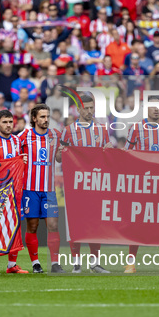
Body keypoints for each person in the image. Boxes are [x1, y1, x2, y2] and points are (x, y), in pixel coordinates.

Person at [124, 97, 159, 273]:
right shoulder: (136, 128)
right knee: (138, 222)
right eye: (153, 106)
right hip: (142, 183)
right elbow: (126, 153)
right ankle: (131, 263)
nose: (156, 109)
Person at [56, 94, 112, 274]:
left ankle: (95, 263)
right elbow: (59, 158)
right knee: (75, 224)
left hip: (97, 183)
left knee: (96, 223)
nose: (89, 111)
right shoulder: (68, 131)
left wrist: (110, 150)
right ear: (78, 109)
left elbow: (108, 156)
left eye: (91, 108)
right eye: (86, 108)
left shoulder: (102, 130)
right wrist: (60, 152)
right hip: (75, 185)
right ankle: (76, 263)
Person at [19, 104, 64, 273]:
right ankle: (35, 263)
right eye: (42, 117)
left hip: (49, 189)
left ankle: (54, 263)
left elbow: (59, 158)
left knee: (52, 225)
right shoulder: (25, 135)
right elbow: (10, 145)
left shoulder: (55, 135)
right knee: (33, 226)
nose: (46, 120)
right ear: (34, 119)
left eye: (47, 116)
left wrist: (61, 152)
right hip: (30, 189)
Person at [0, 110, 29, 274]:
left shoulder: (17, 141)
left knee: (15, 226)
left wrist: (22, 160)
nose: (9, 125)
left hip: (14, 190)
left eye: (11, 122)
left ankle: (12, 265)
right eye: (5, 122)